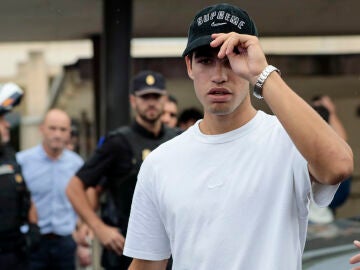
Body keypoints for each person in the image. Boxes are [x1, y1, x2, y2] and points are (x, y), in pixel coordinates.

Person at [122, 3, 353, 270]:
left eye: (231, 60)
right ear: (189, 65)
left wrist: (261, 74)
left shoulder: (287, 139)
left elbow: (338, 165)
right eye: (206, 61)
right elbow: (148, 263)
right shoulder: (161, 162)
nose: (219, 76)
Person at [66, 70, 178, 270]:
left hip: (171, 247)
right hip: (126, 249)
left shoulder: (178, 139)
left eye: (156, 96)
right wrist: (99, 228)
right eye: (145, 97)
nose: (151, 102)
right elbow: (74, 187)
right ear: (133, 101)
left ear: (165, 99)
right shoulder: (118, 141)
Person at [16, 108, 84, 270]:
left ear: (69, 133)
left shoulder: (77, 164)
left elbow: (82, 203)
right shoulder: (22, 162)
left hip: (65, 243)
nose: (57, 134)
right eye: (52, 128)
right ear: (42, 129)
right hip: (32, 242)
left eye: (63, 129)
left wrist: (82, 239)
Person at [0, 82, 37, 270]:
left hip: (16, 251)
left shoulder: (9, 154)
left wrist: (33, 227)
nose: (7, 124)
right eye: (1, 120)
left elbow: (24, 194)